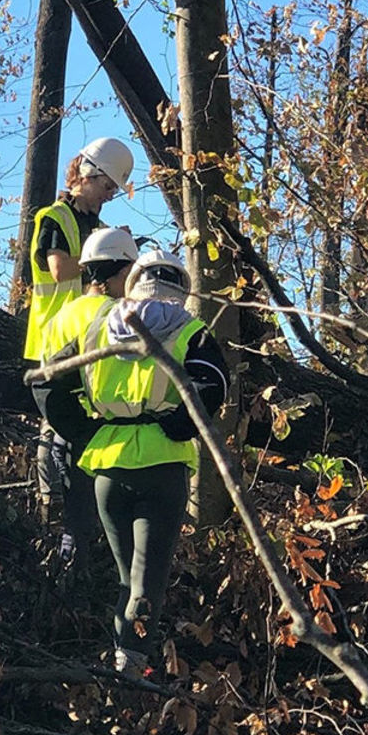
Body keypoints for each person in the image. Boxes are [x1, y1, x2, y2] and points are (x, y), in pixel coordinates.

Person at [33, 250, 229, 675]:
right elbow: (215, 383)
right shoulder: (190, 329)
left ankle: (122, 653)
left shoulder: (99, 327)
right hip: (163, 465)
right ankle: (131, 668)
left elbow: (48, 383)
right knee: (147, 579)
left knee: (127, 576)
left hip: (107, 465)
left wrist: (84, 430)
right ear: (183, 286)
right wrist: (181, 425)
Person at [23, 137, 134, 553]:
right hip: (55, 340)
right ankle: (51, 509)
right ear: (87, 174)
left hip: (91, 341)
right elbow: (57, 269)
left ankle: (80, 516)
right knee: (55, 430)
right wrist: (101, 257)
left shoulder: (98, 226)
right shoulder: (56, 216)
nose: (109, 197)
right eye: (107, 187)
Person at [37, 227, 139, 567]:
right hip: (97, 433)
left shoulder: (60, 316)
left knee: (69, 522)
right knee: (101, 528)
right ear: (123, 271)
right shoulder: (117, 317)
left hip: (57, 429)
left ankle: (64, 591)